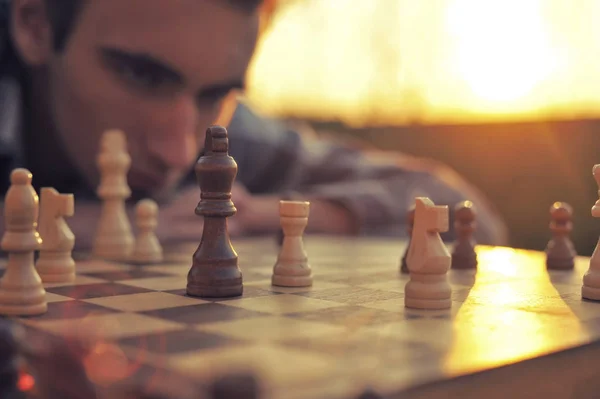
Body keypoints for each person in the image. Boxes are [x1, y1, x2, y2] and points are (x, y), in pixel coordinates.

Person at [0, 0, 508, 249]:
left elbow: (467, 214)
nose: (180, 151)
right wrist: (77, 227)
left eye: (215, 93)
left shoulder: (226, 139)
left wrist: (260, 214)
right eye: (141, 75)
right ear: (34, 25)